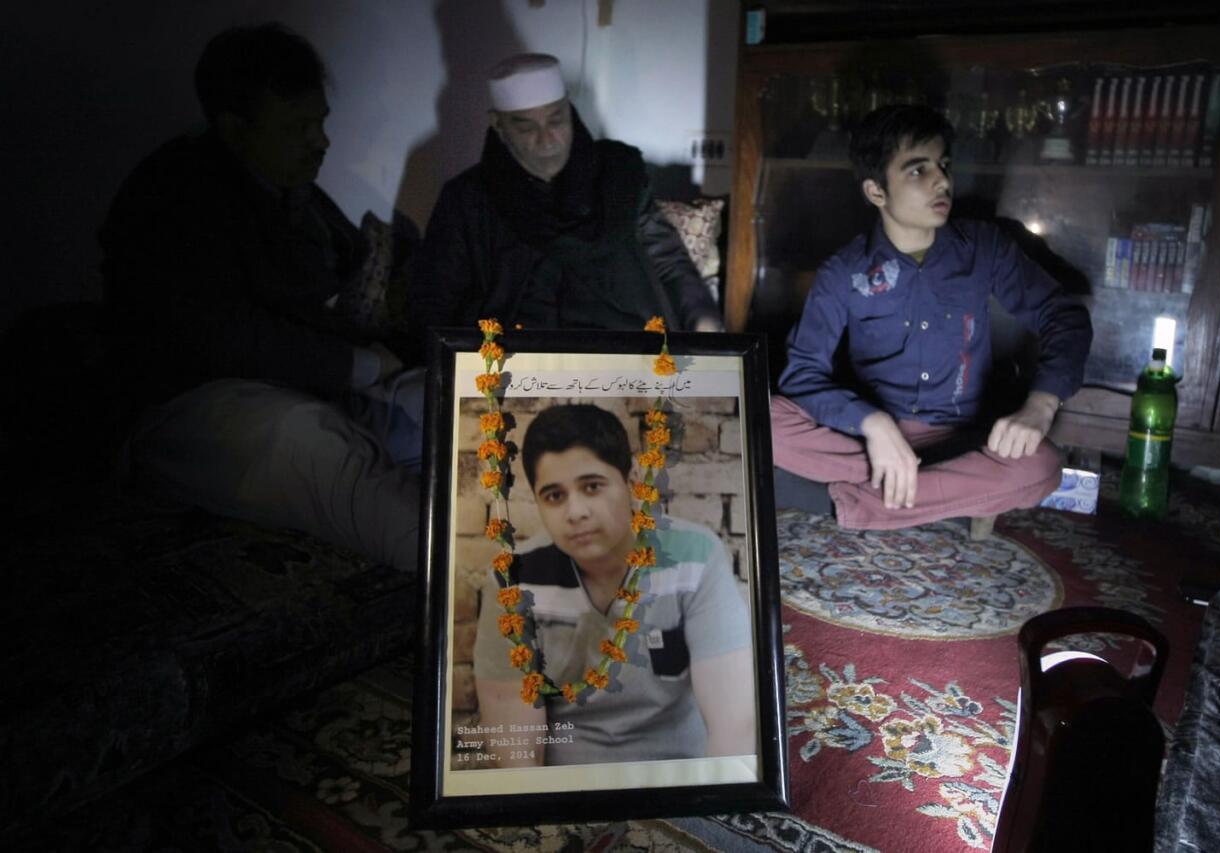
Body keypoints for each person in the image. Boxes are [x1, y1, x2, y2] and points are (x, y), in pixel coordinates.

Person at [100, 23, 421, 571]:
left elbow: (340, 286)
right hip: (191, 402)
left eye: (320, 121)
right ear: (235, 129)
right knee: (316, 445)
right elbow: (224, 333)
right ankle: (485, 583)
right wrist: (357, 364)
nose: (321, 141)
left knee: (441, 400)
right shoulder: (172, 194)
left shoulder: (298, 195)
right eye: (299, 127)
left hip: (300, 380)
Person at [771, 104, 1092, 531]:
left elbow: (1063, 315)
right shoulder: (843, 272)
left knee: (1044, 466)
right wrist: (874, 423)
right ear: (876, 191)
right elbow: (802, 374)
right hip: (869, 442)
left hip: (961, 439)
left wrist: (1041, 404)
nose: (942, 180)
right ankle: (946, 498)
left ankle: (861, 504)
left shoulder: (984, 247)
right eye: (918, 171)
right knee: (761, 419)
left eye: (943, 166)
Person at [472, 404, 754, 766]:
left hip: (679, 770)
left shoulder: (695, 557)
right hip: (569, 782)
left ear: (631, 479)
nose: (575, 512)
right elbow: (515, 744)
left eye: (592, 487)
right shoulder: (513, 580)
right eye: (555, 496)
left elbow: (735, 724)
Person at [412, 53, 722, 349]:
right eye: (526, 126)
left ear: (570, 112)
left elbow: (668, 260)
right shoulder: (467, 200)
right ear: (498, 124)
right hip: (511, 359)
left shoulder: (618, 175)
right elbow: (436, 299)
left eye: (556, 121)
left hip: (621, 349)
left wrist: (703, 320)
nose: (546, 140)